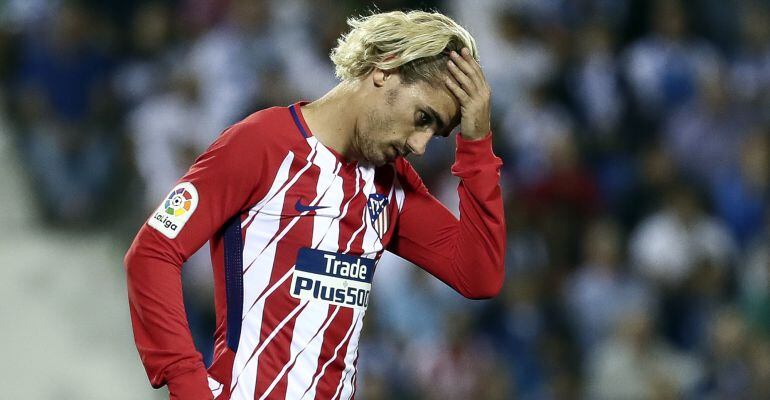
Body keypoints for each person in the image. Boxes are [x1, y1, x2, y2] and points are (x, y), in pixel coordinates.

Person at [124, 10, 505, 400]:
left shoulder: (390, 184)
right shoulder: (261, 144)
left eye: (435, 133)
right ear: (386, 68)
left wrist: (477, 145)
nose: (420, 145)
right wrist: (187, 382)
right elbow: (153, 250)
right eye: (423, 118)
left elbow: (478, 276)